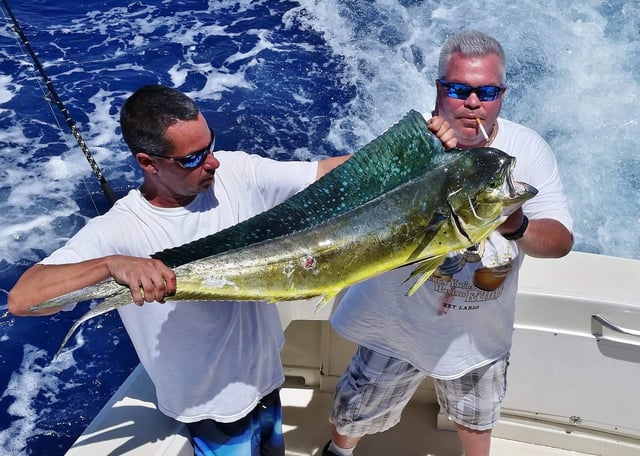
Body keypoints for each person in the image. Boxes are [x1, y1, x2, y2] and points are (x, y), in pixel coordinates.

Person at [8, 84, 455, 455]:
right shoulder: (119, 231)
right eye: (191, 159)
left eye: (210, 146)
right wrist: (111, 265)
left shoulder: (236, 174)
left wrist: (418, 148)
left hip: (266, 379)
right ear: (148, 163)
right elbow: (24, 299)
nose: (212, 162)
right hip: (211, 407)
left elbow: (329, 174)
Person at [323, 30, 574, 456]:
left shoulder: (528, 148)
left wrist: (515, 226)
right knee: (353, 415)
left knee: (476, 422)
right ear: (440, 89)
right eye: (459, 89)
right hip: (395, 324)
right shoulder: (407, 144)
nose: (473, 102)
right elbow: (345, 208)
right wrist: (420, 160)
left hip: (476, 338)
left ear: (502, 94)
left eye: (487, 91)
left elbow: (560, 240)